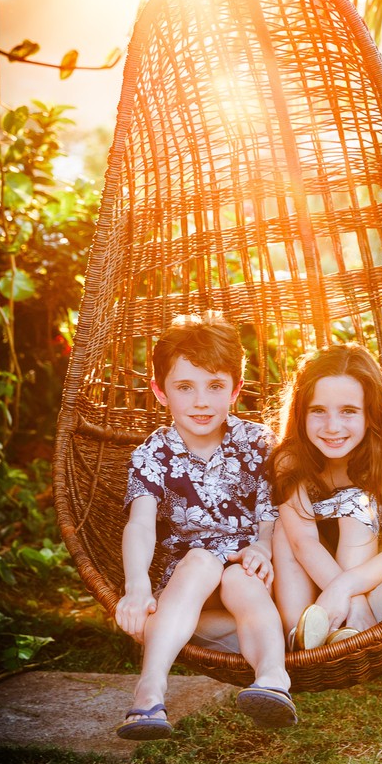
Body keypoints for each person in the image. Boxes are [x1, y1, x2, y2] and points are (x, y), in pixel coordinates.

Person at [115, 314, 296, 737]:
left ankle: (273, 678)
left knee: (242, 580)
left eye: (215, 386)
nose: (201, 402)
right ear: (160, 392)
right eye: (184, 387)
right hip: (187, 577)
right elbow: (140, 524)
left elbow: (272, 512)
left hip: (244, 564)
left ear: (235, 389)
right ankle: (150, 690)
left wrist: (262, 547)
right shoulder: (152, 454)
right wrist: (136, 585)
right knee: (198, 560)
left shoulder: (257, 442)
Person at [270, 343, 382, 648]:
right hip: (305, 573)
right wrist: (353, 601)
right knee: (283, 529)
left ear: (371, 415)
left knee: (356, 506)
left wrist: (345, 587)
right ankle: (301, 632)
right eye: (318, 411)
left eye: (348, 412)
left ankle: (341, 629)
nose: (332, 427)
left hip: (361, 570)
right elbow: (304, 543)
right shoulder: (289, 460)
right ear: (301, 414)